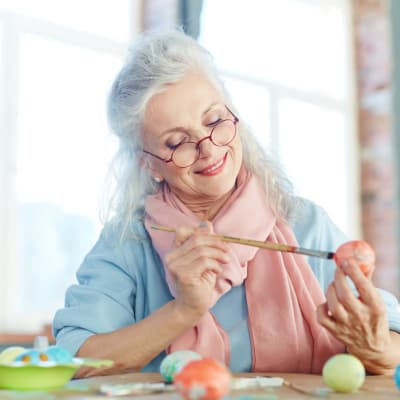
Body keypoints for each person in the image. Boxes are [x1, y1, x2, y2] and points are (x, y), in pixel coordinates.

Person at [53, 29, 400, 377]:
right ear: (149, 164)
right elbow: (74, 361)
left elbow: (392, 341)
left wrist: (377, 349)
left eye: (215, 120)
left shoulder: (304, 221)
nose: (208, 148)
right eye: (177, 142)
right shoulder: (129, 241)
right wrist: (183, 311)